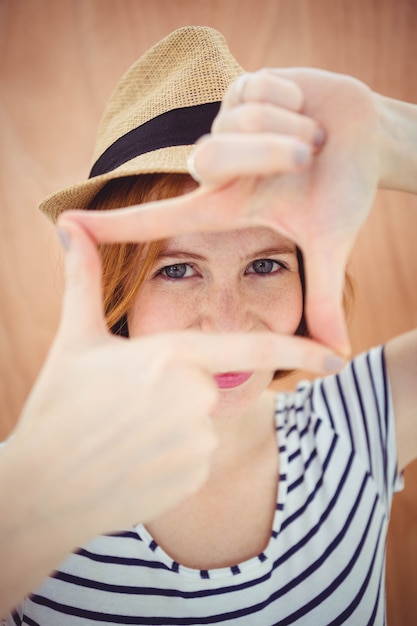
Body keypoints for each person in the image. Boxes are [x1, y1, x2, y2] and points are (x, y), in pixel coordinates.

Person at [2, 25, 417, 624]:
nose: (227, 324)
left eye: (266, 264)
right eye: (177, 270)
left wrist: (393, 138)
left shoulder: (361, 424)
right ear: (114, 283)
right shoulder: (21, 483)